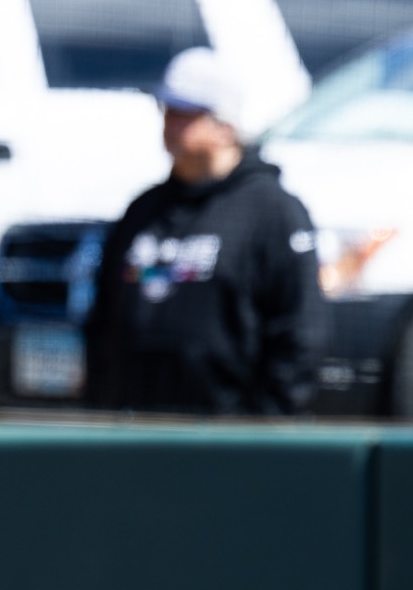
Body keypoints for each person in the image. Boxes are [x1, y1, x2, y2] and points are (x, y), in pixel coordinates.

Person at [82, 47, 327, 414]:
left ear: (225, 126)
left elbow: (302, 331)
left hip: (231, 441)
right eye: (168, 110)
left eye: (186, 114)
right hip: (139, 435)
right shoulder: (144, 211)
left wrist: (264, 425)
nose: (170, 123)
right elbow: (104, 320)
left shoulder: (273, 211)